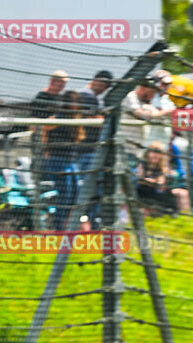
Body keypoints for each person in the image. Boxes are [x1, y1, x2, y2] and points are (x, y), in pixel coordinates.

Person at [43, 90, 83, 230]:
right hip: (58, 159)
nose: (75, 105)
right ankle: (59, 226)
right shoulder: (58, 118)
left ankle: (70, 224)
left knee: (77, 191)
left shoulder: (76, 119)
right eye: (72, 102)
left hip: (71, 161)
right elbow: (44, 128)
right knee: (65, 193)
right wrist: (46, 150)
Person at [77, 70, 113, 228]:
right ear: (97, 81)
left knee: (97, 187)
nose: (105, 89)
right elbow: (85, 118)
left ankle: (95, 221)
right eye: (104, 85)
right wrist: (103, 119)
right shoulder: (84, 97)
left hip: (95, 149)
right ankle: (84, 222)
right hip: (85, 150)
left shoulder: (97, 98)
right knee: (87, 187)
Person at [135, 141, 190, 213]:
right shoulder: (142, 165)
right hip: (144, 192)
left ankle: (186, 217)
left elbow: (160, 182)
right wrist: (151, 181)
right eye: (153, 152)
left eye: (158, 153)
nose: (155, 155)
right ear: (148, 153)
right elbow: (140, 179)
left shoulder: (163, 167)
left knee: (183, 193)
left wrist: (149, 181)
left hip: (161, 193)